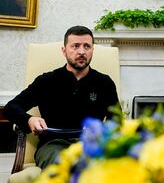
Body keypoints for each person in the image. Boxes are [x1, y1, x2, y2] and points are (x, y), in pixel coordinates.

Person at [4, 26, 119, 169]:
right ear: (64, 51)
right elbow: (10, 108)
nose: (81, 51)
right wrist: (29, 119)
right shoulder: (46, 80)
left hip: (91, 144)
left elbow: (117, 122)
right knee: (63, 165)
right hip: (53, 145)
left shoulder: (105, 83)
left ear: (92, 50)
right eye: (75, 46)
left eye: (87, 46)